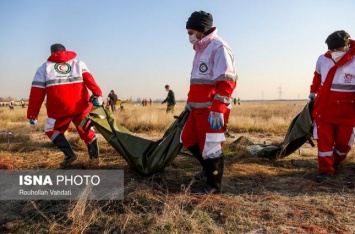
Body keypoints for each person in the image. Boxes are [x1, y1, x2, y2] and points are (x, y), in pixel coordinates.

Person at [181, 11, 237, 193]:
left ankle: (213, 186)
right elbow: (197, 81)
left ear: (201, 30)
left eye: (191, 32)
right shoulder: (200, 50)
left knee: (211, 146)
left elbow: (227, 80)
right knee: (188, 138)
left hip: (213, 110)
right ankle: (207, 169)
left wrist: (218, 107)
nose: (189, 36)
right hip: (197, 109)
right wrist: (189, 103)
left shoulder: (219, 48)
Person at [27, 43, 103, 168]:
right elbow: (90, 81)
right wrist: (98, 95)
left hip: (59, 110)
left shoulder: (44, 68)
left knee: (50, 130)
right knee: (87, 131)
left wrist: (32, 114)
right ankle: (94, 160)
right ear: (65, 51)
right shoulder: (79, 64)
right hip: (80, 107)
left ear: (51, 53)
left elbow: (36, 93)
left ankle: (69, 155)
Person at [309, 30, 355, 182]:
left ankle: (336, 162)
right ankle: (325, 171)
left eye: (338, 49)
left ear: (347, 46)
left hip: (347, 111)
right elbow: (317, 76)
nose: (335, 52)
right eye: (331, 49)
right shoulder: (322, 59)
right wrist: (313, 92)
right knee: (324, 141)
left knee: (344, 143)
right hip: (324, 108)